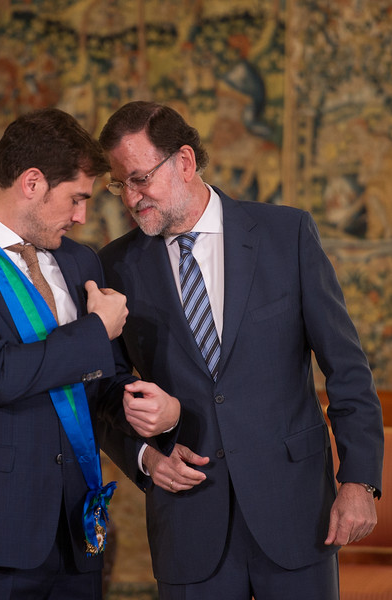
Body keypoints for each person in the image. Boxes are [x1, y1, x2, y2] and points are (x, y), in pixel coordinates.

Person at [96, 101, 384, 600]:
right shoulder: (113, 266)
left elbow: (347, 368)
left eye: (140, 178)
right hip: (188, 522)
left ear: (185, 161)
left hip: (296, 512)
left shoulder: (286, 234)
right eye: (119, 184)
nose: (130, 197)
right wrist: (145, 457)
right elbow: (103, 390)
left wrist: (360, 480)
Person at [0, 107, 178, 600]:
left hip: (77, 536)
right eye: (76, 198)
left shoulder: (81, 261)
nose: (82, 216)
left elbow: (101, 382)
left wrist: (151, 415)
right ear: (31, 182)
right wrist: (96, 328)